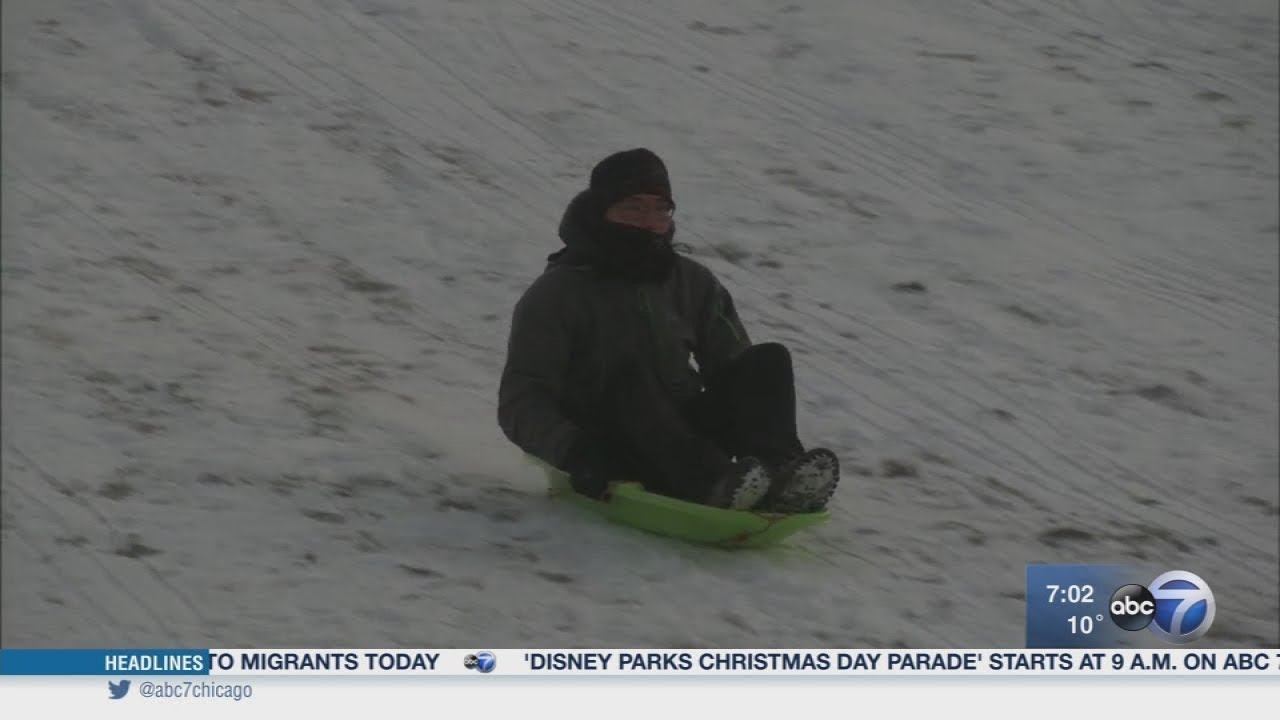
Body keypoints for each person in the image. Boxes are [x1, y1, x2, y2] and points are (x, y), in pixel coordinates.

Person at [497, 148, 839, 512]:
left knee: (767, 360)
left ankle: (780, 474)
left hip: (684, 434)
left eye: (660, 209)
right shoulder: (557, 294)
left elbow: (733, 368)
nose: (649, 222)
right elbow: (522, 400)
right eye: (634, 207)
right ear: (602, 213)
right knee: (629, 379)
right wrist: (575, 451)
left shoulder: (692, 281)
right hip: (611, 449)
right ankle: (711, 481)